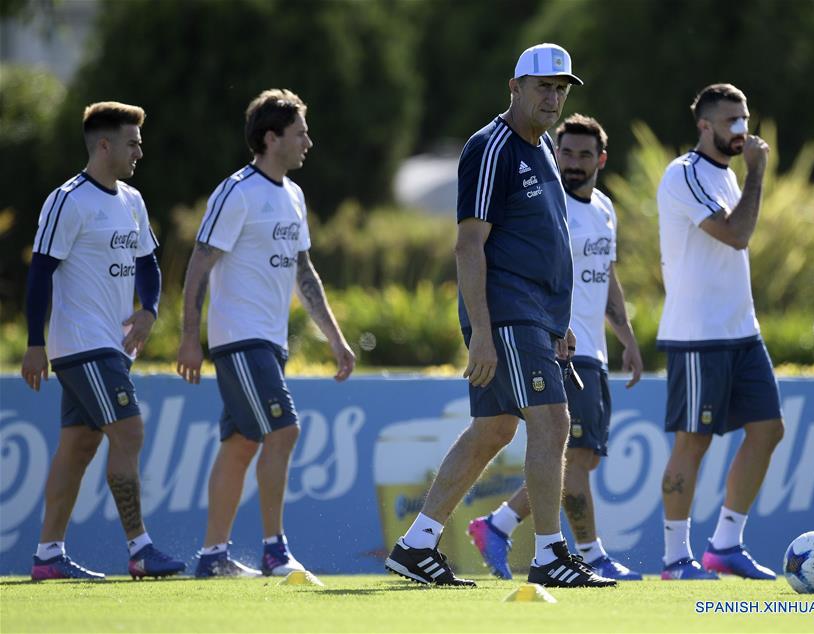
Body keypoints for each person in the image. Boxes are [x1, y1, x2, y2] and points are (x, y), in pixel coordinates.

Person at [385, 44, 613, 588]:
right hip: (506, 315)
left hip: (534, 318)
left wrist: (557, 324)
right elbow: (468, 245)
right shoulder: (491, 147)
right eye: (543, 86)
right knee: (553, 422)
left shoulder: (542, 152)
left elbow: (547, 245)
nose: (554, 97)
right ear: (515, 86)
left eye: (561, 88)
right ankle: (550, 555)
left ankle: (416, 545)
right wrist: (482, 333)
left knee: (493, 429)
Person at [177, 89, 355, 579]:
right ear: (271, 137)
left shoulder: (294, 195)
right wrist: (190, 335)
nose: (308, 143)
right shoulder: (236, 192)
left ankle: (213, 557)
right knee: (285, 429)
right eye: (299, 133)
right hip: (239, 340)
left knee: (240, 445)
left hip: (269, 343)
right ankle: (276, 550)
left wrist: (336, 339)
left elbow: (305, 273)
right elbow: (199, 262)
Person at [467, 114, 644, 581]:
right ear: (554, 154)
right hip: (561, 345)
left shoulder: (604, 208)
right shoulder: (544, 203)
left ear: (600, 160)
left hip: (595, 349)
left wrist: (625, 334)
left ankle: (498, 525)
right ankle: (590, 553)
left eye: (585, 154)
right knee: (567, 448)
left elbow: (607, 275)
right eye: (566, 152)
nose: (573, 162)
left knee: (580, 455)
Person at [22, 101, 185, 581]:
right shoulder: (67, 200)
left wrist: (150, 310)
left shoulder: (132, 200)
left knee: (77, 447)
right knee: (129, 431)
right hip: (81, 343)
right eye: (133, 142)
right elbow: (40, 274)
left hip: (113, 346)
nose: (140, 150)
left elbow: (149, 264)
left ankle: (48, 556)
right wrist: (35, 342)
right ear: (105, 144)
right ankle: (140, 549)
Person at [655, 83, 784, 580]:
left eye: (745, 119)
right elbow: (736, 235)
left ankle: (725, 545)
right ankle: (674, 559)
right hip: (697, 334)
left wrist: (749, 176)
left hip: (741, 331)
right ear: (704, 126)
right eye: (731, 121)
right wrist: (757, 173)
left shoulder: (731, 178)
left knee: (769, 429)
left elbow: (738, 232)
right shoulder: (683, 174)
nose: (742, 130)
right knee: (694, 442)